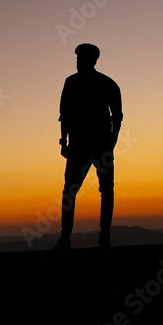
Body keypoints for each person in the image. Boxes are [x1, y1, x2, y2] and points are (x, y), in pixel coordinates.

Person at [53, 43, 123, 250]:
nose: (78, 62)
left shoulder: (101, 83)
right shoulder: (95, 83)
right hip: (86, 144)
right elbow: (64, 114)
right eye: (77, 58)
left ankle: (99, 238)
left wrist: (113, 140)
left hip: (92, 144)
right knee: (80, 191)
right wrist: (63, 141)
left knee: (98, 190)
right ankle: (69, 239)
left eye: (81, 58)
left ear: (91, 60)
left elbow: (117, 116)